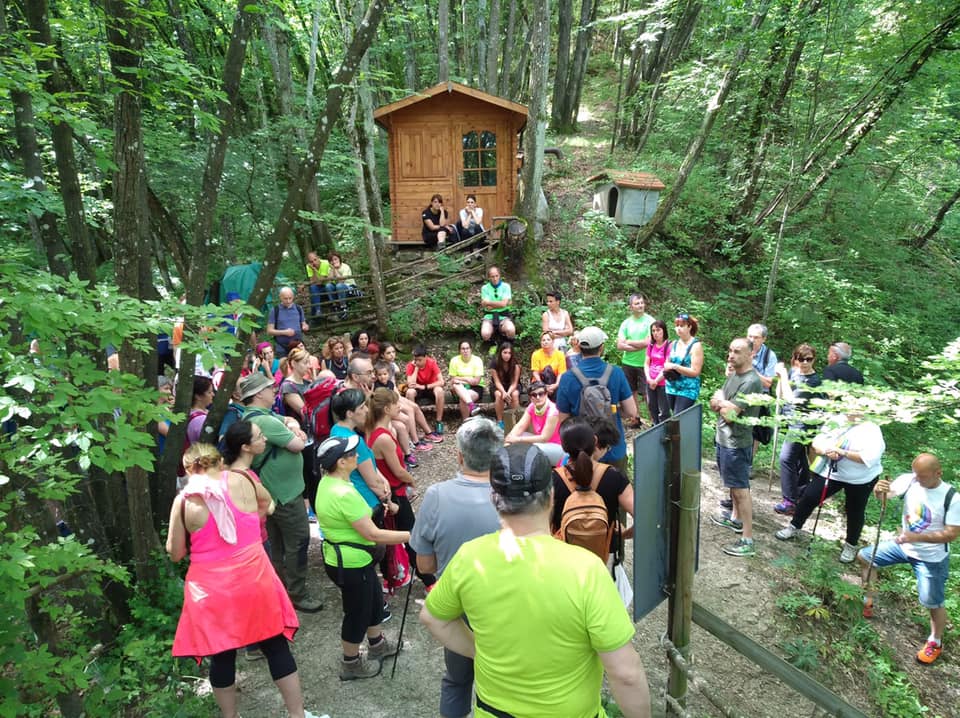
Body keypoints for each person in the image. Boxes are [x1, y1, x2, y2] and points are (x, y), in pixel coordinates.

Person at [419, 443, 652, 718]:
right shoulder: (585, 569)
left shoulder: (470, 558)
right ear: (551, 496)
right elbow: (625, 674)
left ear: (493, 497)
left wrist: (479, 651)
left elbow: (433, 617)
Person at [167, 443, 319, 718]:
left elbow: (176, 553)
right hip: (254, 577)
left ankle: (231, 717)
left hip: (210, 589)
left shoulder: (185, 500)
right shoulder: (244, 479)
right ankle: (297, 715)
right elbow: (267, 506)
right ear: (220, 462)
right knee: (275, 645)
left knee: (222, 655)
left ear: (190, 469)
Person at [408, 418, 503, 718]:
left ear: (460, 456)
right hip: (506, 599)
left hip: (458, 602)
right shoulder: (513, 498)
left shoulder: (436, 495)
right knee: (503, 679)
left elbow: (424, 564)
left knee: (458, 679)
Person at [314, 435, 408, 680]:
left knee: (375, 601)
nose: (358, 456)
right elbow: (372, 533)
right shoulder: (342, 492)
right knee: (358, 612)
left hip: (354, 560)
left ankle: (377, 645)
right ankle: (351, 663)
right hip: (351, 563)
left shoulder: (330, 482)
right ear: (341, 462)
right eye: (352, 453)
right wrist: (411, 536)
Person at [858, 454, 959, 665]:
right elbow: (884, 497)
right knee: (866, 556)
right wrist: (879, 490)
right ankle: (868, 600)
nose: (917, 479)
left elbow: (951, 534)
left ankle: (935, 641)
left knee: (932, 601)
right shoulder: (910, 480)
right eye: (916, 474)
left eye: (922, 476)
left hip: (931, 558)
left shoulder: (952, 497)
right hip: (904, 545)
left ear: (938, 473)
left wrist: (917, 537)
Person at [238, 373, 321, 613]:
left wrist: (292, 425)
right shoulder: (263, 422)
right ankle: (297, 593)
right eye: (268, 388)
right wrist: (295, 433)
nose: (273, 390)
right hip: (283, 494)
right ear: (257, 395)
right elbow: (297, 445)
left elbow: (286, 420)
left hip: (273, 492)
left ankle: (281, 590)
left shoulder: (259, 417)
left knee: (278, 544)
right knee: (297, 540)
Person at [775, 412, 885, 563]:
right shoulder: (836, 420)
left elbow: (869, 458)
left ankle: (851, 545)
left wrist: (842, 453)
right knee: (809, 496)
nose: (850, 411)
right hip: (832, 472)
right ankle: (794, 526)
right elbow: (817, 443)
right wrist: (827, 450)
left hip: (861, 479)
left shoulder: (871, 429)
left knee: (854, 510)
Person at [366, 389, 435, 590]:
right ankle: (428, 580)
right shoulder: (384, 438)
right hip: (394, 493)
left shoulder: (377, 430)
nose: (400, 407)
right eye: (397, 404)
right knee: (410, 535)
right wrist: (412, 480)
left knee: (393, 533)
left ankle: (392, 575)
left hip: (391, 491)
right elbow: (397, 470)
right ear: (387, 409)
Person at [556, 326, 637, 475]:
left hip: (582, 452)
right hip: (613, 448)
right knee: (616, 493)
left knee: (586, 495)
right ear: (602, 348)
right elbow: (632, 411)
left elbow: (563, 420)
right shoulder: (616, 373)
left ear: (579, 347)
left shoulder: (568, 377)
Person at [709, 338, 764, 557]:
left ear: (751, 354)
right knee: (731, 484)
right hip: (723, 438)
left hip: (737, 443)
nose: (731, 355)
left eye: (737, 352)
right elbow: (716, 405)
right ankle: (735, 519)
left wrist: (722, 402)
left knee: (741, 489)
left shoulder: (751, 382)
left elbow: (731, 415)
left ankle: (748, 539)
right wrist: (722, 402)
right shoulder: (733, 376)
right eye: (730, 350)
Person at [551, 419, 635, 550]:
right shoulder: (615, 477)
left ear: (563, 447)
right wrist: (623, 535)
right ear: (595, 441)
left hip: (564, 556)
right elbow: (642, 518)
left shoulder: (553, 479)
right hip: (603, 555)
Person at [773, 344, 823, 516]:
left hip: (803, 425)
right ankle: (802, 493)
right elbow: (780, 394)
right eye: (801, 359)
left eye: (808, 359)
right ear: (795, 358)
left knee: (786, 458)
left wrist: (784, 376)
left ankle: (790, 501)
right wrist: (780, 378)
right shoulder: (795, 373)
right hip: (790, 420)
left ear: (814, 360)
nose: (804, 362)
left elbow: (791, 399)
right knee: (800, 460)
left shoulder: (813, 381)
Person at [329, 388, 392, 510]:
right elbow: (373, 483)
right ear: (349, 414)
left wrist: (383, 478)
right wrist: (389, 501)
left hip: (353, 497)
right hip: (368, 501)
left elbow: (366, 464)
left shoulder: (335, 429)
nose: (367, 410)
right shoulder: (355, 442)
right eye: (362, 407)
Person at [279, 347, 319, 521]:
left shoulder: (306, 382)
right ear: (293, 364)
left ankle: (317, 506)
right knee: (307, 472)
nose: (308, 366)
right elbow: (305, 411)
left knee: (315, 471)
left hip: (313, 433)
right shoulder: (289, 386)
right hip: (300, 435)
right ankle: (309, 509)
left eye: (309, 361)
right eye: (304, 362)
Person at [616, 294, 654, 426]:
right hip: (628, 363)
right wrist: (640, 345)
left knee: (647, 393)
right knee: (631, 392)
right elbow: (619, 345)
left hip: (646, 363)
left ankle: (654, 420)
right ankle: (635, 418)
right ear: (631, 306)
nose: (640, 305)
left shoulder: (650, 321)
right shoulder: (626, 323)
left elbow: (648, 342)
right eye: (637, 303)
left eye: (642, 303)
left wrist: (629, 342)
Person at [505, 381, 564, 465]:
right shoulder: (532, 407)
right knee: (520, 435)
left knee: (534, 448)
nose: (538, 397)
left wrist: (517, 440)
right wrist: (509, 441)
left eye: (541, 393)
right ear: (530, 397)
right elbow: (520, 426)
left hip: (557, 448)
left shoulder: (553, 410)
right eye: (534, 395)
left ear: (546, 394)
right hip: (541, 444)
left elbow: (544, 438)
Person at [663, 313, 703, 414]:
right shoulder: (673, 344)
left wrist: (676, 367)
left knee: (679, 417)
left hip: (687, 389)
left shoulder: (696, 346)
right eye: (677, 326)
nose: (679, 329)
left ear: (689, 327)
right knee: (673, 416)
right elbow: (667, 362)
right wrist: (667, 367)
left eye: (682, 326)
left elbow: (695, 372)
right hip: (671, 386)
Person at [405, 346, 446, 436]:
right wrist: (416, 368)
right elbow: (410, 384)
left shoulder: (431, 363)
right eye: (416, 360)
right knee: (410, 392)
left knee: (439, 391)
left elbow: (441, 382)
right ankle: (413, 422)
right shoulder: (411, 365)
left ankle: (439, 421)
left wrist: (425, 386)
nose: (418, 362)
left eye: (420, 360)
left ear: (426, 357)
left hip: (429, 387)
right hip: (417, 389)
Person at [267, 287, 309, 358]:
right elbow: (269, 331)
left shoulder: (298, 308)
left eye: (290, 298)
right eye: (285, 298)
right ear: (280, 297)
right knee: (284, 367)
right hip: (281, 346)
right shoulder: (275, 310)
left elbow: (303, 323)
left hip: (297, 344)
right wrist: (284, 332)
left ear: (293, 297)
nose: (288, 301)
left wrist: (305, 326)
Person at [448, 340, 485, 419]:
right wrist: (469, 379)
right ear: (459, 350)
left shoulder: (477, 360)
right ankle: (472, 405)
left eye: (467, 348)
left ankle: (466, 422)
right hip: (459, 388)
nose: (465, 351)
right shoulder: (454, 360)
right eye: (463, 349)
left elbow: (475, 381)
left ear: (471, 349)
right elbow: (453, 380)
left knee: (463, 398)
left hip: (475, 388)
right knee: (456, 385)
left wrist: (461, 378)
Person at [643, 320, 671, 425]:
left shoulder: (669, 346)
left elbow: (667, 366)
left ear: (664, 331)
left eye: (658, 330)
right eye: (653, 331)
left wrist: (656, 380)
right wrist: (649, 379)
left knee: (664, 410)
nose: (655, 333)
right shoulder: (651, 345)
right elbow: (646, 363)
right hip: (650, 381)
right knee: (652, 407)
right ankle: (655, 426)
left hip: (663, 382)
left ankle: (665, 431)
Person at [479, 266, 516, 342]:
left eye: (496, 276)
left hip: (504, 316)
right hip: (489, 316)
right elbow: (486, 306)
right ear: (489, 277)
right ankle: (492, 343)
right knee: (485, 333)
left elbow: (503, 304)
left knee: (510, 329)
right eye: (492, 277)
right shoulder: (485, 288)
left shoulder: (506, 287)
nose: (495, 279)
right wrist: (499, 304)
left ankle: (507, 344)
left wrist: (489, 303)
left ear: (499, 276)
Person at [530, 331, 566, 397]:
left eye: (548, 340)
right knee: (547, 370)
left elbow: (561, 373)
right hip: (539, 382)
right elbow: (535, 373)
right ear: (541, 342)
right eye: (543, 340)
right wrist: (543, 386)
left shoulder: (560, 354)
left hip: (555, 382)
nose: (545, 342)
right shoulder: (536, 354)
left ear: (553, 341)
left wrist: (556, 384)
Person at [326, 251, 357, 319]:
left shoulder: (345, 267)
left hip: (349, 287)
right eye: (331, 260)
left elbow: (341, 281)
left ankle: (343, 307)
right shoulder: (330, 269)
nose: (334, 261)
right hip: (338, 288)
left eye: (335, 259)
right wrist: (332, 269)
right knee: (328, 286)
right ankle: (335, 306)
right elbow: (328, 281)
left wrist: (335, 269)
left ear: (339, 259)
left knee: (339, 285)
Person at [304, 251, 330, 318]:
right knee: (313, 288)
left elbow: (321, 280)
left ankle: (314, 316)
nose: (314, 263)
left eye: (315, 260)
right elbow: (312, 281)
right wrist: (313, 270)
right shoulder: (308, 266)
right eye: (311, 261)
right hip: (319, 287)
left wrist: (314, 269)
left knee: (314, 292)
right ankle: (318, 311)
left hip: (328, 285)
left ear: (318, 258)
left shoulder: (325, 263)